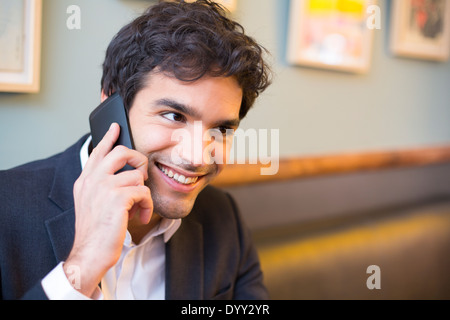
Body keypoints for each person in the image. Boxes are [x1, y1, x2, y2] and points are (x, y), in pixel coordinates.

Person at [0, 0, 271, 300]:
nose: (196, 157)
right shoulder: (5, 207)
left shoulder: (224, 218)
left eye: (220, 129)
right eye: (174, 116)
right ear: (110, 104)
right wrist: (82, 267)